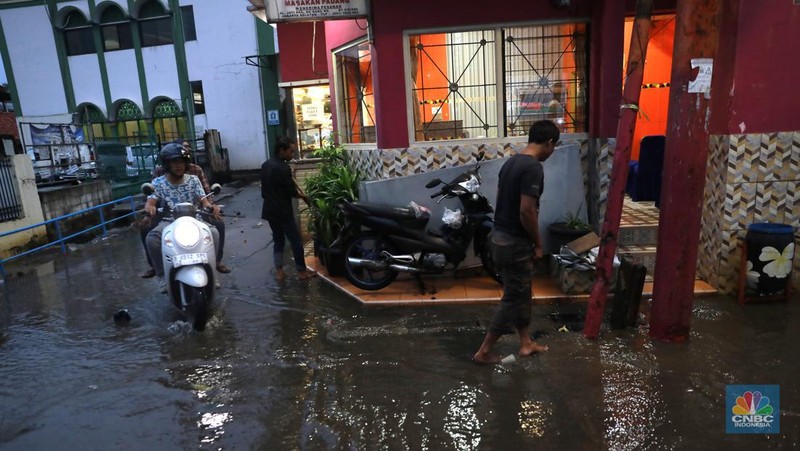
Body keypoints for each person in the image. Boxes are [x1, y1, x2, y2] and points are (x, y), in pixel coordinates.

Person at [473, 120, 559, 364]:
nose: (552, 153)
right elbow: (526, 211)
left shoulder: (511, 162)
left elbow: (500, 199)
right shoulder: (533, 168)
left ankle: (525, 342)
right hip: (515, 243)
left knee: (522, 292)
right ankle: (485, 351)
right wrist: (538, 243)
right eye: (554, 147)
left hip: (500, 237)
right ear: (549, 142)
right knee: (513, 296)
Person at [140, 140, 230, 277]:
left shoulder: (194, 179)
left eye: (182, 162)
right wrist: (150, 207)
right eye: (174, 162)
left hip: (195, 220)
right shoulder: (157, 182)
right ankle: (161, 275)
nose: (179, 166)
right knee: (151, 240)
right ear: (167, 164)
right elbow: (151, 201)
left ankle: (212, 270)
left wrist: (212, 207)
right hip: (169, 222)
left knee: (215, 233)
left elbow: (204, 201)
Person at [261, 137, 316, 280]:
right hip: (283, 211)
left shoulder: (265, 165)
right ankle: (302, 272)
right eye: (291, 152)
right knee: (296, 241)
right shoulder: (283, 168)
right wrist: (304, 197)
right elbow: (291, 191)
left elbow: (264, 191)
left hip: (269, 210)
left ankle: (279, 271)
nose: (292, 155)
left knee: (278, 240)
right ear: (282, 150)